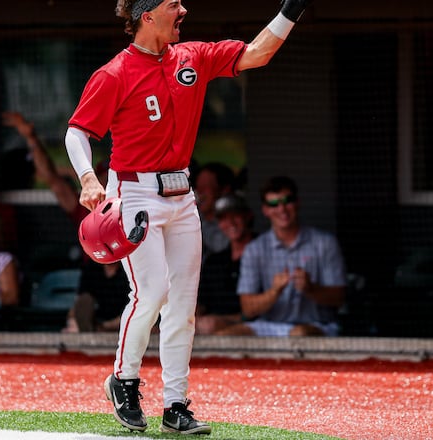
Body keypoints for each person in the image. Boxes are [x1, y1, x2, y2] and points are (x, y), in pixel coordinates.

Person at [64, 0, 316, 434]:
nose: (184, 9)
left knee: (182, 305)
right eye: (173, 3)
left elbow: (258, 53)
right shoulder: (114, 73)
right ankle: (123, 380)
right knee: (153, 290)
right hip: (134, 192)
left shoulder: (193, 56)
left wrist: (292, 9)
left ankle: (176, 405)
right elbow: (77, 132)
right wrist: (88, 178)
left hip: (181, 194)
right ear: (147, 16)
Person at [217, 176, 346, 337]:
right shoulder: (254, 249)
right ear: (265, 210)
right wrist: (274, 292)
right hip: (269, 326)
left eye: (288, 201)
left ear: (297, 202)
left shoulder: (324, 243)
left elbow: (340, 297)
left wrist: (311, 288)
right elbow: (248, 309)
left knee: (299, 334)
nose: (282, 209)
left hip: (317, 325)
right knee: (224, 337)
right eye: (273, 204)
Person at [3, 111, 108, 224]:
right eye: (104, 175)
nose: (107, 180)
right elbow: (51, 177)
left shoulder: (127, 200)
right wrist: (30, 137)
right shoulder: (84, 210)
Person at [195, 193, 253, 335]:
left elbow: (258, 310)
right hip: (210, 326)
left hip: (254, 326)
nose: (231, 223)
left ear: (248, 216)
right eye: (223, 218)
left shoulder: (263, 253)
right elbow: (201, 302)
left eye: (236, 216)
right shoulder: (214, 260)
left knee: (209, 325)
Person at [61, 260, 129, 333]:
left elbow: (131, 308)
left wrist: (105, 326)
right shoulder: (92, 268)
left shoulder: (128, 271)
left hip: (121, 324)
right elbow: (80, 302)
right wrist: (72, 321)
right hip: (92, 324)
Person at [194, 162, 235, 260]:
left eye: (205, 188)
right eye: (198, 188)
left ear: (224, 190)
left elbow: (219, 247)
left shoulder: (234, 222)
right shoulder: (192, 219)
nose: (199, 194)